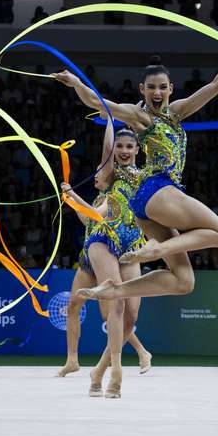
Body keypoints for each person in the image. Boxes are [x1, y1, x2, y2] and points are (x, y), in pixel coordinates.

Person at [52, 32, 218, 302]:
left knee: (183, 281)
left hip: (148, 206)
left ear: (171, 89)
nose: (157, 92)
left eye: (162, 87)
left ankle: (115, 289)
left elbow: (216, 86)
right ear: (142, 89)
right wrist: (76, 83)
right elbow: (97, 103)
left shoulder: (177, 112)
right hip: (158, 188)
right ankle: (155, 251)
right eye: (151, 87)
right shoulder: (139, 115)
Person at [56, 118, 152, 399]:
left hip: (132, 245)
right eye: (119, 146)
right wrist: (108, 115)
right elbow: (92, 217)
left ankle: (98, 370)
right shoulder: (109, 178)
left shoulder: (145, 176)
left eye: (129, 146)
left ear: (137, 149)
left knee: (131, 318)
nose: (123, 150)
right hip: (105, 243)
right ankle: (115, 373)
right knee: (115, 305)